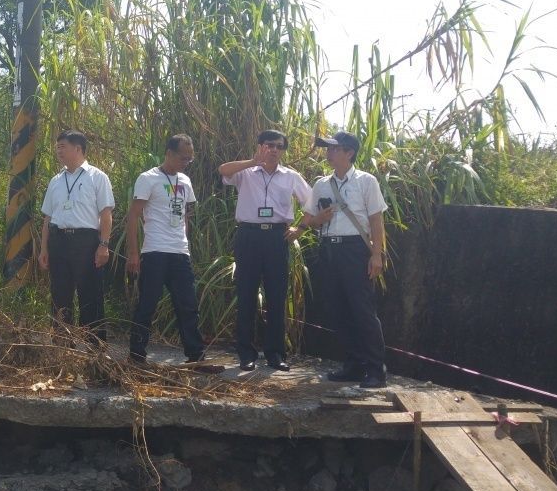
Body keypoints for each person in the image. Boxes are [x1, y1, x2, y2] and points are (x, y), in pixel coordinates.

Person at [295, 131, 388, 388]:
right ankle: (353, 365)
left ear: (349, 152)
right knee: (337, 309)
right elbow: (310, 220)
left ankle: (376, 370)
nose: (329, 152)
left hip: (355, 250)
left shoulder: (366, 181)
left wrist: (376, 254)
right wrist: (318, 220)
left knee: (362, 309)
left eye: (334, 149)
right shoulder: (321, 184)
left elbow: (376, 220)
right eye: (328, 148)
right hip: (328, 249)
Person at [218, 130, 313, 371]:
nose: (274, 150)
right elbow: (223, 170)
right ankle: (246, 354)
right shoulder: (246, 172)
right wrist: (253, 161)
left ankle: (275, 354)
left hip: (276, 237)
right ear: (260, 146)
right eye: (269, 145)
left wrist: (300, 228)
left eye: (279, 146)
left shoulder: (291, 176)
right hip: (248, 235)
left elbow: (312, 203)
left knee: (277, 296)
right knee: (246, 294)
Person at [126, 134, 204, 363]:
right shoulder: (148, 178)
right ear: (169, 153)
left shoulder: (185, 181)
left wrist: (185, 243)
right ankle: (137, 354)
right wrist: (133, 253)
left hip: (179, 252)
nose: (186, 163)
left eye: (190, 159)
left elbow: (184, 215)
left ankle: (196, 355)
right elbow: (133, 216)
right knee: (147, 303)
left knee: (188, 304)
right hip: (155, 251)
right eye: (183, 158)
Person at [38, 130, 114, 343]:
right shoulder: (56, 180)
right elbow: (47, 218)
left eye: (63, 146)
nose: (58, 150)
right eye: (57, 147)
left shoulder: (97, 177)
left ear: (78, 148)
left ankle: (94, 349)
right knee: (59, 296)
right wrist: (44, 249)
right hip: (58, 241)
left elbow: (106, 214)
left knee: (90, 295)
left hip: (86, 242)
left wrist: (104, 245)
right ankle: (62, 347)